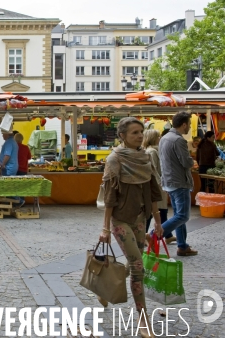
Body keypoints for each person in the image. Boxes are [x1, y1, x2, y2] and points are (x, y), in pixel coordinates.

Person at [99, 117, 163, 337]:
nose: (139, 136)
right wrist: (105, 228)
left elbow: (153, 191)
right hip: (120, 219)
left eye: (141, 132)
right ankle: (143, 321)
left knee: (134, 262)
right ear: (122, 136)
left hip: (140, 218)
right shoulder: (115, 159)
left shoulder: (145, 157)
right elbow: (109, 197)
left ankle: (106, 291)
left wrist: (157, 220)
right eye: (134, 132)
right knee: (137, 267)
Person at [156, 111, 197, 256]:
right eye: (189, 125)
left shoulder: (165, 138)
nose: (189, 128)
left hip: (169, 181)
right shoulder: (178, 140)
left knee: (179, 215)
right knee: (182, 216)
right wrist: (193, 161)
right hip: (179, 181)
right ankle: (154, 235)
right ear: (184, 124)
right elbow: (186, 162)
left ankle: (182, 246)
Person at [142, 129, 174, 244]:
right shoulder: (152, 151)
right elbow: (154, 170)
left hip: (160, 185)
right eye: (158, 136)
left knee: (162, 211)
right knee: (155, 211)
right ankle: (145, 235)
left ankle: (167, 234)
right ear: (152, 138)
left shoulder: (155, 151)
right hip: (157, 186)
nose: (160, 138)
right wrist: (159, 184)